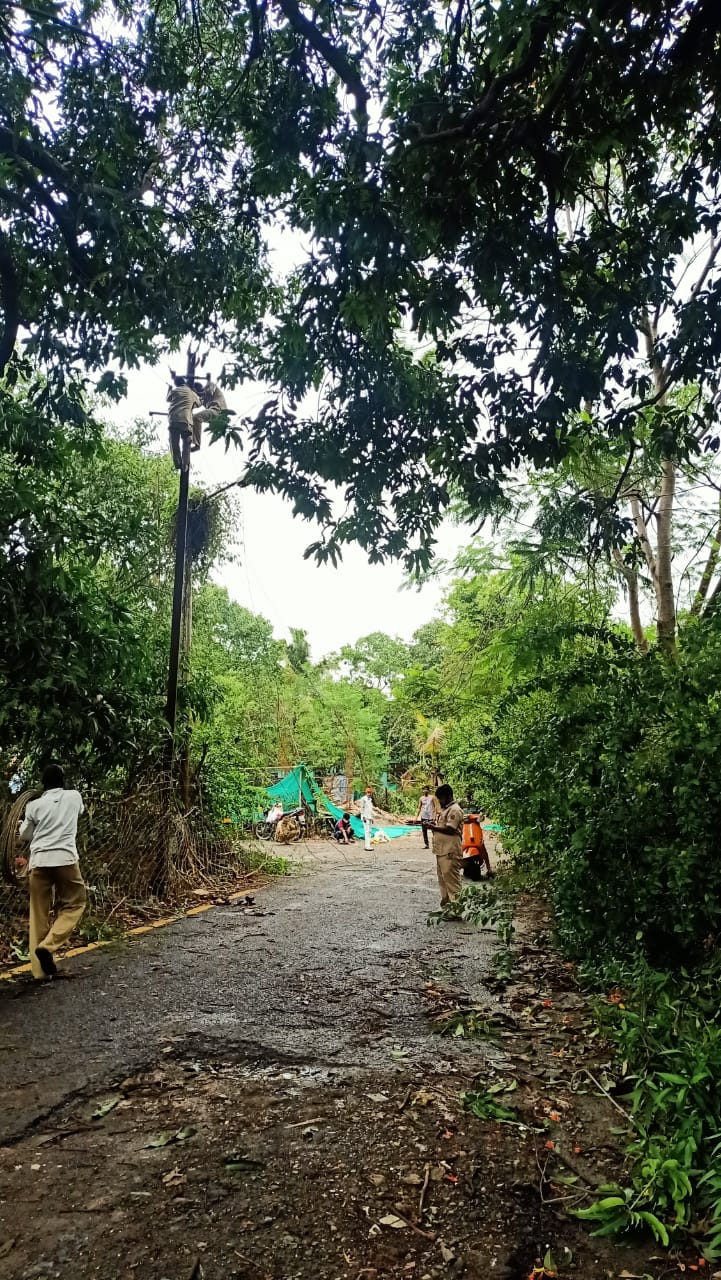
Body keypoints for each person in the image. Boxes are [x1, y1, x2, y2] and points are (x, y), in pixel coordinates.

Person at [17, 764, 87, 980]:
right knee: (75, 903)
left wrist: (24, 825)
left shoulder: (33, 806)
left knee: (38, 914)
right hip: (65, 859)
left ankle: (38, 972)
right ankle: (48, 946)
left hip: (39, 861)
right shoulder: (74, 797)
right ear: (63, 780)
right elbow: (80, 812)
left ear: (42, 784)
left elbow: (25, 836)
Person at [430, 783, 465, 907]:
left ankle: (456, 908)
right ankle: (447, 905)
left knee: (452, 881)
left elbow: (450, 829)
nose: (440, 801)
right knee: (443, 880)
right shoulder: (446, 809)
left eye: (442, 798)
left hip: (450, 851)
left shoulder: (455, 810)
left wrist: (433, 827)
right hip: (442, 850)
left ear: (449, 796)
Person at [167, 375, 201, 468]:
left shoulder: (174, 391)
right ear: (184, 382)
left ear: (176, 384)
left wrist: (169, 389)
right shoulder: (191, 393)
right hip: (186, 421)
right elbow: (199, 404)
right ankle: (185, 464)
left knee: (174, 443)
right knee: (187, 442)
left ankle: (178, 464)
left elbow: (168, 399)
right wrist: (191, 405)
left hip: (174, 420)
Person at [416, 785, 439, 849]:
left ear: (428, 790)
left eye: (426, 789)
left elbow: (436, 807)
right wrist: (416, 817)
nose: (425, 790)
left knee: (433, 830)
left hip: (431, 816)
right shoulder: (421, 798)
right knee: (424, 831)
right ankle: (426, 844)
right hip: (423, 816)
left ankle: (436, 843)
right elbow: (419, 808)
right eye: (424, 789)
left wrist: (435, 816)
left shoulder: (432, 797)